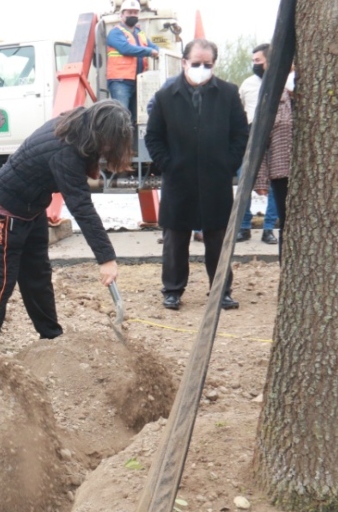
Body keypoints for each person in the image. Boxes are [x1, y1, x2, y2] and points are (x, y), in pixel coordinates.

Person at [0, 101, 128, 390]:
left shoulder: (80, 124)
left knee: (39, 278)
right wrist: (106, 258)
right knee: (1, 283)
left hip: (31, 208)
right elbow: (81, 206)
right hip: (4, 208)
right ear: (102, 134)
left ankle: (52, 337)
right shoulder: (65, 151)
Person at [145, 38, 249, 311]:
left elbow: (240, 134)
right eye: (196, 63)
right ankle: (172, 290)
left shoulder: (227, 93)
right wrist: (169, 164)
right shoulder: (165, 97)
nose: (201, 68)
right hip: (178, 180)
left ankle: (221, 290)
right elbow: (153, 137)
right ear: (183, 62)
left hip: (216, 180)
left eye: (207, 64)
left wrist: (228, 163)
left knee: (217, 238)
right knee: (175, 239)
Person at [236, 43, 278, 245]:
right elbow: (240, 110)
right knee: (245, 180)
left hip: (277, 136)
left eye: (258, 61)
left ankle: (268, 228)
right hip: (252, 136)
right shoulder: (247, 84)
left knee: (276, 183)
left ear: (269, 61)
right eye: (253, 61)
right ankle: (244, 226)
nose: (255, 64)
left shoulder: (284, 82)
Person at [255, 79, 292, 260]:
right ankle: (286, 268)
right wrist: (261, 179)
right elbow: (260, 144)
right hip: (282, 174)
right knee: (287, 224)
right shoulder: (274, 100)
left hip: (316, 176)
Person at [106, 0, 160, 122]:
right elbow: (126, 49)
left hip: (138, 81)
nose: (133, 15)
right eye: (129, 12)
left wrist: (160, 52)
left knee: (137, 119)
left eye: (135, 12)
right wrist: (150, 52)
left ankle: (133, 141)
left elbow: (153, 46)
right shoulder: (115, 32)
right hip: (120, 81)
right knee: (121, 118)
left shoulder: (140, 33)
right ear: (122, 15)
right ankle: (120, 141)